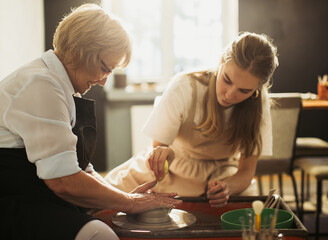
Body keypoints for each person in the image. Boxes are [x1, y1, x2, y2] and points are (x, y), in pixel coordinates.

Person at [0, 4, 181, 240]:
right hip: (1, 198)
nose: (102, 81)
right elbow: (63, 180)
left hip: (34, 190)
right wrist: (129, 202)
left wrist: (120, 196)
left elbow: (80, 167)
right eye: (104, 68)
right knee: (99, 235)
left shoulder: (63, 86)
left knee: (111, 217)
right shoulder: (40, 84)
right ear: (82, 50)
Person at [105, 32, 279, 208]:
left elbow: (246, 172)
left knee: (246, 211)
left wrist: (228, 188)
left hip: (222, 172)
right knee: (108, 193)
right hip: (172, 168)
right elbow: (159, 150)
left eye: (244, 91)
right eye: (227, 80)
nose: (230, 94)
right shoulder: (184, 86)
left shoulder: (259, 104)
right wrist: (165, 154)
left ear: (257, 89)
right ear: (220, 63)